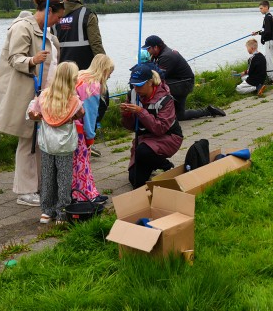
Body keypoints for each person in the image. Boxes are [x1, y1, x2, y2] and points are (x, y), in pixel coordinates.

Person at [0, 0, 64, 207]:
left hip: (44, 94)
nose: (59, 21)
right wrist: (33, 60)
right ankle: (25, 191)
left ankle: (39, 185)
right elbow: (14, 58)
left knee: (40, 142)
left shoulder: (46, 30)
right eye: (57, 17)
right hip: (27, 93)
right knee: (28, 141)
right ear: (48, 11)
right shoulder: (23, 27)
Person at [54, 0, 108, 156]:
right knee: (100, 102)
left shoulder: (56, 15)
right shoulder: (87, 14)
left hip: (62, 72)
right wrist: (104, 67)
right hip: (86, 72)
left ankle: (70, 142)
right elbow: (96, 44)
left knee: (66, 106)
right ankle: (86, 141)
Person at [27, 61, 84, 225]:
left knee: (47, 177)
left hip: (47, 144)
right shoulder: (73, 100)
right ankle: (62, 212)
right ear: (72, 80)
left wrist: (41, 115)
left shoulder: (44, 96)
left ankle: (46, 211)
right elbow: (81, 113)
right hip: (65, 146)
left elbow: (32, 114)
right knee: (64, 179)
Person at [121, 63, 183, 189]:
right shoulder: (132, 95)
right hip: (144, 140)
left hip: (168, 137)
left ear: (150, 82)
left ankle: (166, 165)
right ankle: (151, 163)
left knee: (143, 151)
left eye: (139, 85)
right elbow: (132, 127)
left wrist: (140, 112)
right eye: (133, 84)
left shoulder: (166, 99)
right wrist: (126, 116)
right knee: (135, 181)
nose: (136, 89)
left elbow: (160, 129)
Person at [142, 36, 225, 120]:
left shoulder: (166, 56)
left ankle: (151, 114)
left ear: (155, 47)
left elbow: (158, 78)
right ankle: (209, 110)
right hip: (179, 81)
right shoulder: (160, 54)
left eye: (148, 49)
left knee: (155, 86)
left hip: (184, 84)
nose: (147, 51)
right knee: (180, 115)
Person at [72, 54, 114, 203]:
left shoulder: (80, 75)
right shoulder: (93, 85)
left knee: (73, 165)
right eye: (109, 74)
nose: (108, 78)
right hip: (79, 129)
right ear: (104, 70)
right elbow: (89, 115)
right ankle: (87, 195)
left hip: (66, 125)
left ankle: (75, 193)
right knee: (83, 165)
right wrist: (90, 138)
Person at [252, 0, 273, 84]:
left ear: (266, 7)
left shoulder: (267, 17)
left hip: (269, 41)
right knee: (268, 58)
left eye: (261, 8)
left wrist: (262, 37)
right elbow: (266, 30)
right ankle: (270, 78)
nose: (260, 10)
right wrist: (258, 33)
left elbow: (268, 32)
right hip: (271, 41)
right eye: (260, 8)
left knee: (269, 59)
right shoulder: (269, 16)